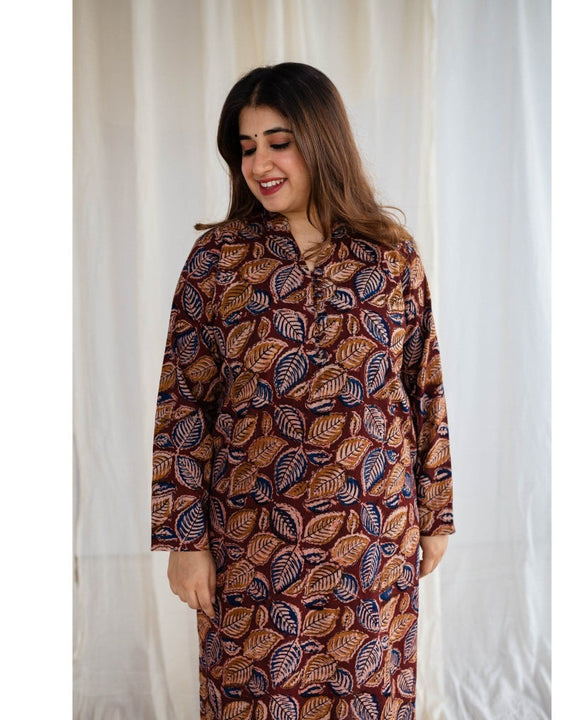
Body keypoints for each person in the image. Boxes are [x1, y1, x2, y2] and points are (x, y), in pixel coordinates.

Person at [151, 62, 454, 720]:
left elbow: (423, 388)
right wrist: (185, 541)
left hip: (373, 538)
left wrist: (436, 515)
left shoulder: (390, 254)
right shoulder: (218, 260)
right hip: (252, 543)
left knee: (367, 698)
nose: (259, 163)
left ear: (321, 139)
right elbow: (183, 406)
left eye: (278, 142)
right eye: (246, 147)